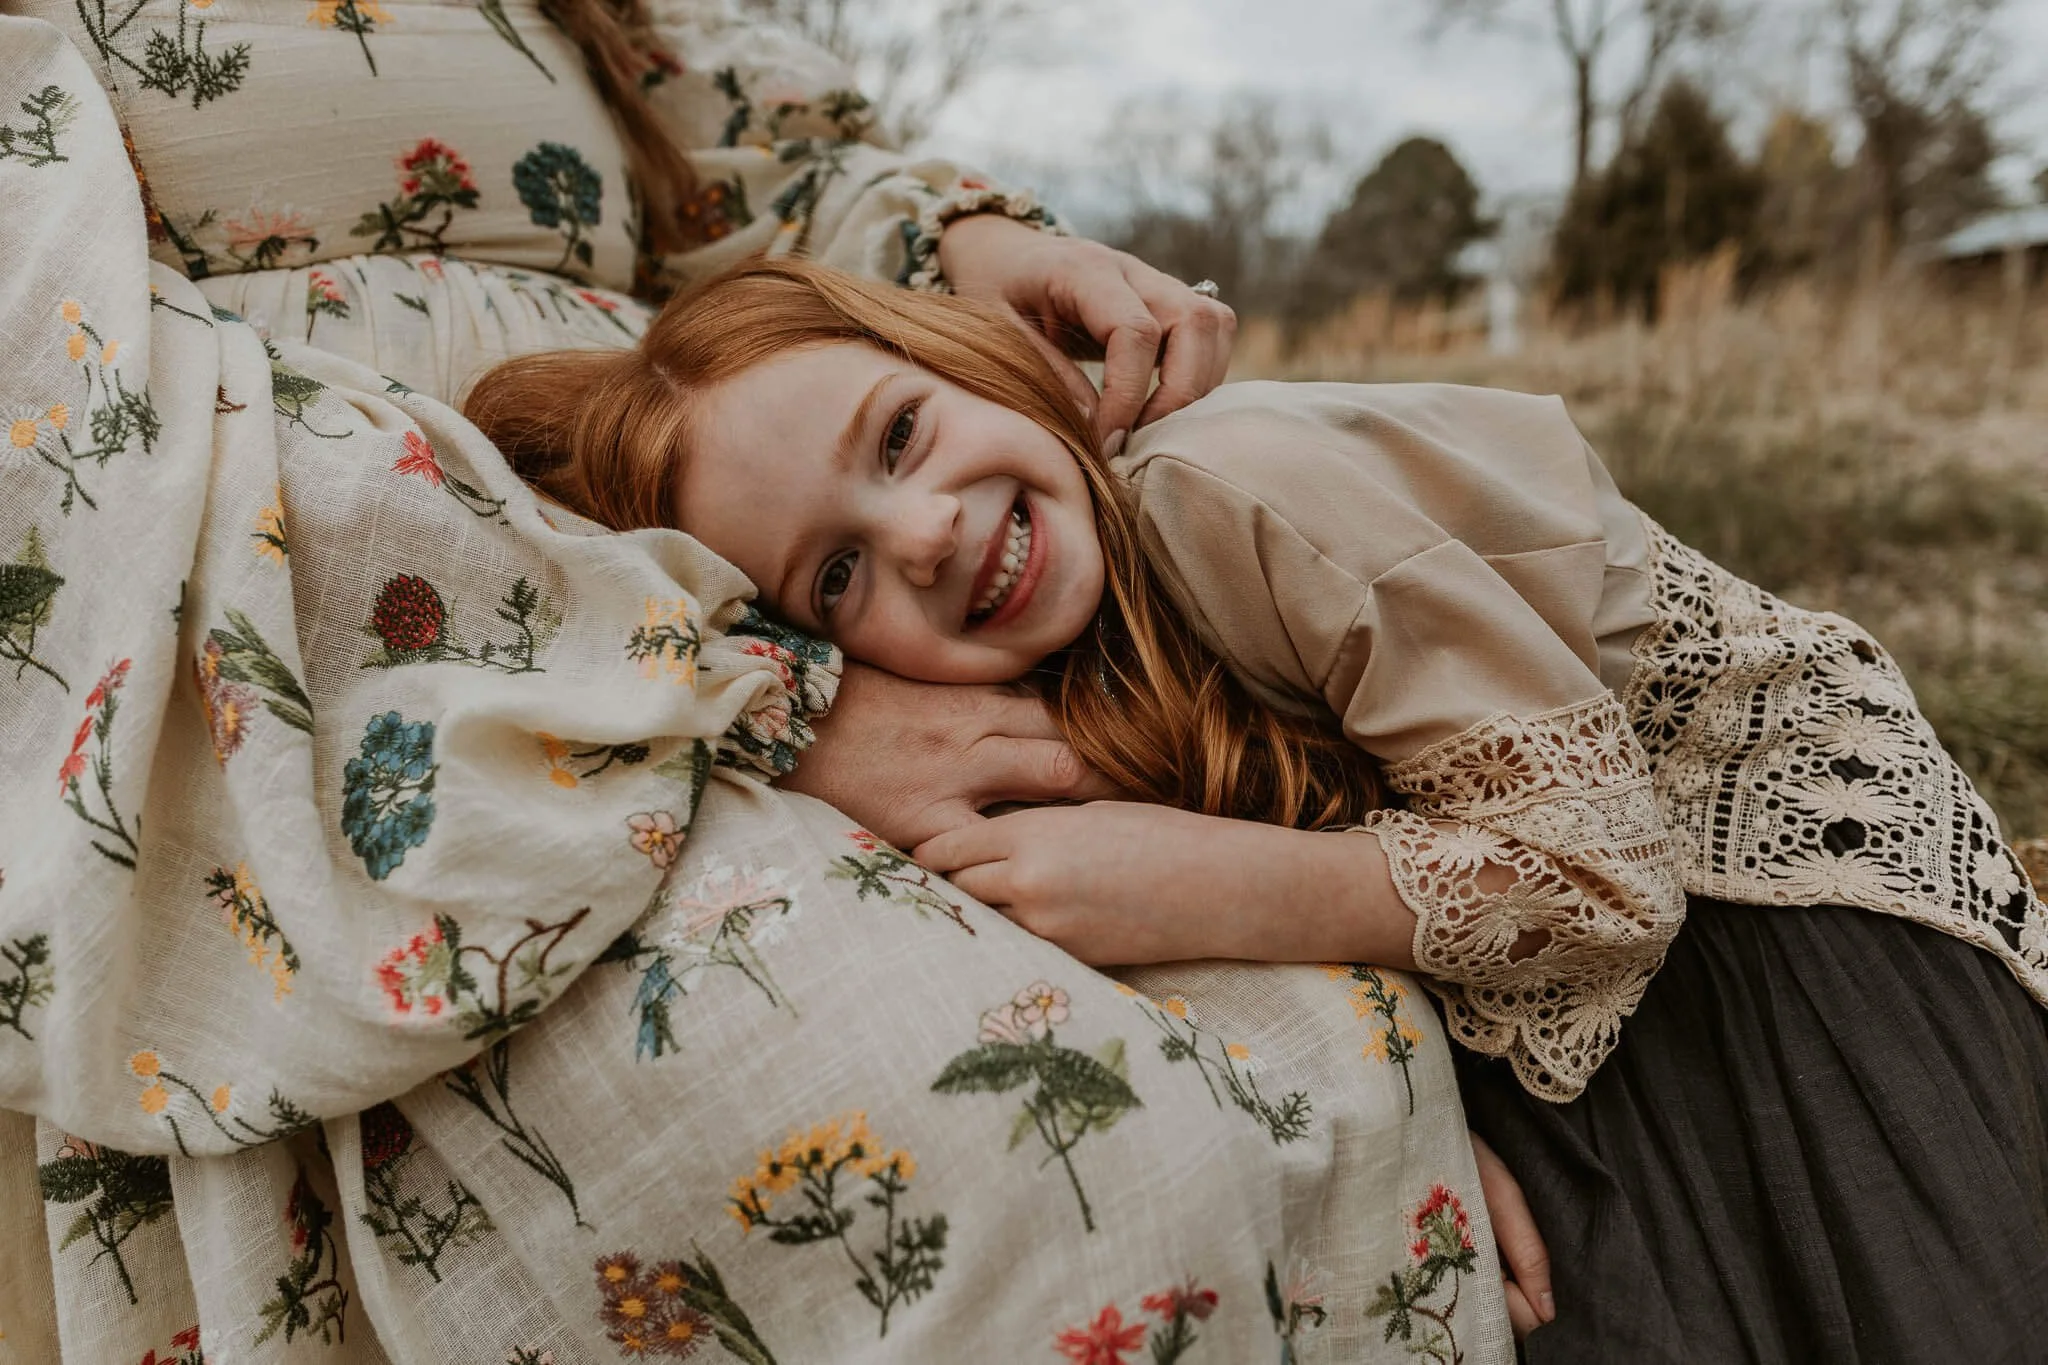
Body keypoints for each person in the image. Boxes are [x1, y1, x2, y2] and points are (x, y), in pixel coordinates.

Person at [465, 255, 2048, 1362]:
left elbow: (1603, 873)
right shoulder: (1022, 692)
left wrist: (1212, 885)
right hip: (1518, 974)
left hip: (1767, 896)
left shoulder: (1233, 487)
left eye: (899, 436)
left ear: (961, 358)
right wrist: (1416, 1097)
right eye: (838, 570)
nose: (927, 533)